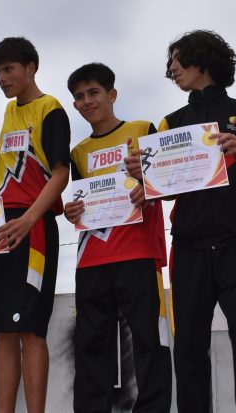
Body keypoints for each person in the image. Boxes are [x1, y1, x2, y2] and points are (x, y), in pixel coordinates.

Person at [125, 30, 236, 412]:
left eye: (178, 60)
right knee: (190, 344)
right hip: (189, 244)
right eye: (170, 63)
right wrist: (141, 176)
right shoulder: (169, 122)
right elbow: (158, 188)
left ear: (203, 60)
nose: (172, 69)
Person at [63, 63, 172, 412]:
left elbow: (167, 181)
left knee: (149, 343)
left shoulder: (143, 130)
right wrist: (72, 211)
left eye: (93, 92)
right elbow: (81, 199)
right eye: (79, 97)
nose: (86, 101)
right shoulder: (77, 152)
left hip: (139, 254)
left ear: (111, 94)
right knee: (91, 346)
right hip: (92, 258)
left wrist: (149, 188)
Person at [0, 37, 70, 413]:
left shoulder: (52, 110)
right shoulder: (11, 112)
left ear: (32, 68)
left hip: (33, 228)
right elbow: (8, 151)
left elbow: (61, 172)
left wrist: (29, 220)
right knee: (3, 330)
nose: (2, 78)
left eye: (9, 69)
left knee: (30, 329)